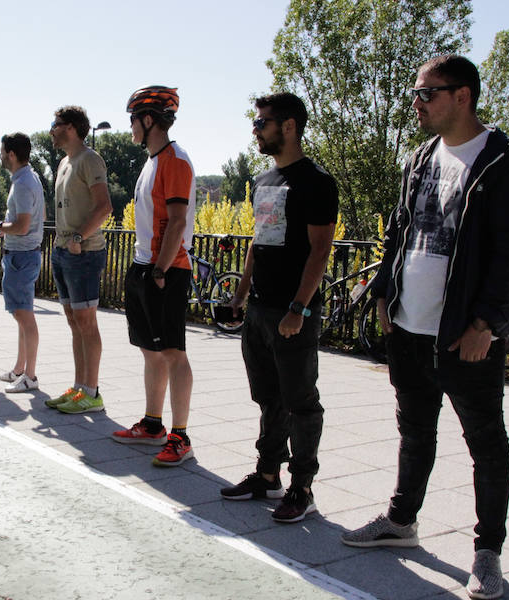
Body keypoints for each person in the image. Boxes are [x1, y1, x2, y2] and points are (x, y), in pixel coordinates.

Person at [340, 55, 509, 600]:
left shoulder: (503, 163)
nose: (417, 104)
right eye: (417, 94)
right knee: (414, 430)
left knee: (486, 443)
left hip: (464, 333)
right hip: (409, 326)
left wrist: (486, 325)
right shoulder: (421, 157)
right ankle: (402, 522)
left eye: (427, 93)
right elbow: (399, 232)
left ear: (463, 95)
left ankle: (487, 552)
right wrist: (383, 293)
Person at [219, 93, 338, 524]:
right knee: (269, 397)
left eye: (262, 122)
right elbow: (259, 241)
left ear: (288, 126)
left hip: (293, 312)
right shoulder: (263, 181)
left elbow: (320, 252)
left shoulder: (316, 181)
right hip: (260, 310)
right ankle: (267, 473)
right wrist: (241, 293)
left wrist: (299, 308)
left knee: (301, 402)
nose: (256, 129)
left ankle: (301, 487)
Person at [111, 86, 197, 467]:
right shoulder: (152, 160)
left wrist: (160, 269)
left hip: (168, 269)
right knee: (150, 350)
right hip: (145, 264)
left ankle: (180, 436)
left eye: (132, 119)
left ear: (148, 120)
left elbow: (177, 220)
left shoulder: (175, 160)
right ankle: (152, 424)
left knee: (173, 353)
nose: (129, 126)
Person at [44, 105, 112, 414]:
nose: (51, 130)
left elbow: (104, 206)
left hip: (83, 252)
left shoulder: (90, 159)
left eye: (55, 124)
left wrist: (78, 238)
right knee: (74, 322)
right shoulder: (63, 162)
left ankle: (92, 392)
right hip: (63, 251)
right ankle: (79, 387)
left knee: (86, 321)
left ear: (70, 127)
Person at [0, 132, 45, 393]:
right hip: (26, 254)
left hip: (20, 256)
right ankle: (20, 369)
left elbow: (21, 226)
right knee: (23, 315)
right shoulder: (30, 177)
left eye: (2, 151)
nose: (0, 155)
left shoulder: (22, 183)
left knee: (25, 317)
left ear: (11, 154)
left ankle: (30, 377)